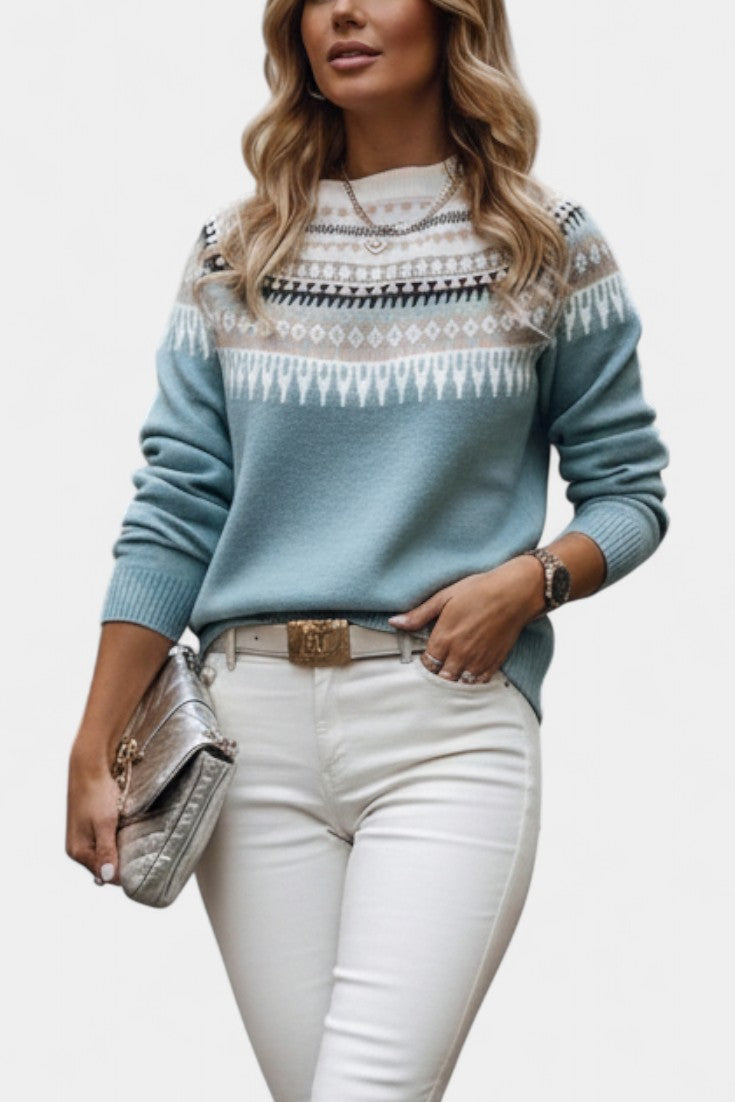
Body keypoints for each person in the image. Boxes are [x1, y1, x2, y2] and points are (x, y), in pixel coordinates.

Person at [66, 1, 669, 1099]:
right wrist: (94, 739)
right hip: (248, 744)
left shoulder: (546, 244)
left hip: (447, 727)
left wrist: (528, 582)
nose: (341, 10)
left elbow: (628, 492)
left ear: (453, 19)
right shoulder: (234, 252)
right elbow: (176, 504)